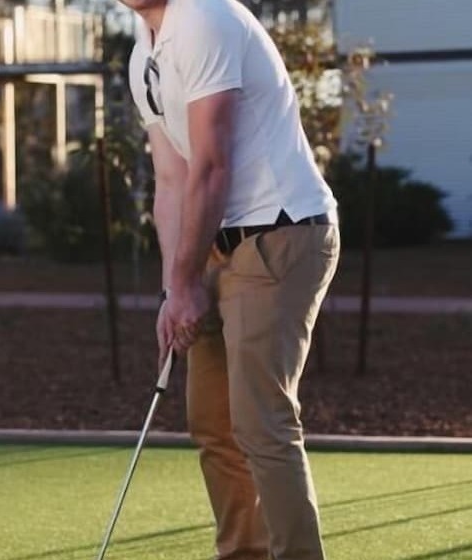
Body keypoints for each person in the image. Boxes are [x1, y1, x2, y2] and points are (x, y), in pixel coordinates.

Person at [120, 1, 340, 559]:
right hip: (213, 241)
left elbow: (212, 165)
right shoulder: (143, 52)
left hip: (281, 232)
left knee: (259, 421)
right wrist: (174, 289)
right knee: (213, 423)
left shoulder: (205, 16)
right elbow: (171, 179)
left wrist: (186, 281)